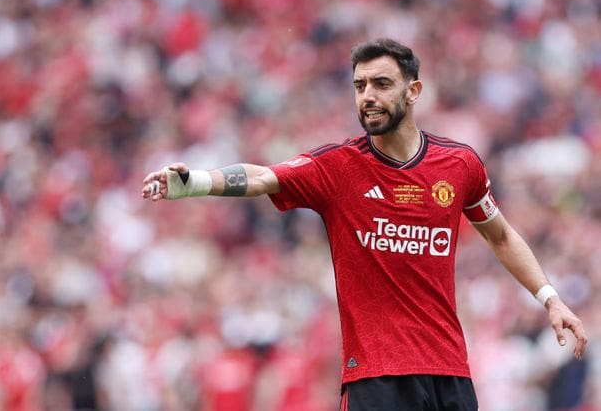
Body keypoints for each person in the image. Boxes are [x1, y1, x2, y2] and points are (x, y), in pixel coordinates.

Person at [141, 38, 588, 410]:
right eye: (359, 86)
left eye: (381, 83)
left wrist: (549, 298)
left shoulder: (459, 164)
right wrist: (193, 182)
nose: (367, 96)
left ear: (413, 91)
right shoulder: (338, 167)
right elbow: (262, 177)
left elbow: (502, 235)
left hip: (448, 371)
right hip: (376, 377)